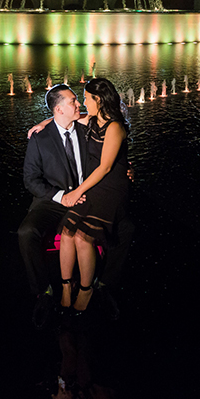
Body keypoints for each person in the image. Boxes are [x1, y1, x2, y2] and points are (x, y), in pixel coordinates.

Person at [55, 78, 129, 312]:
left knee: (83, 238)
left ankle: (86, 290)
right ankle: (66, 286)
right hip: (93, 185)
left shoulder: (115, 127)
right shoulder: (93, 120)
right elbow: (66, 118)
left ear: (98, 99)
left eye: (86, 98)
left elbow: (106, 167)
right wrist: (44, 122)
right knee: (67, 232)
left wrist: (78, 191)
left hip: (110, 188)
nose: (83, 102)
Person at [19, 84, 89, 327]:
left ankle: (101, 284)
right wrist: (60, 197)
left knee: (125, 228)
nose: (79, 104)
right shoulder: (40, 138)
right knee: (26, 233)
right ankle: (44, 291)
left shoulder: (85, 127)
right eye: (73, 101)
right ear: (59, 109)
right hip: (53, 200)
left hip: (86, 197)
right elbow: (30, 179)